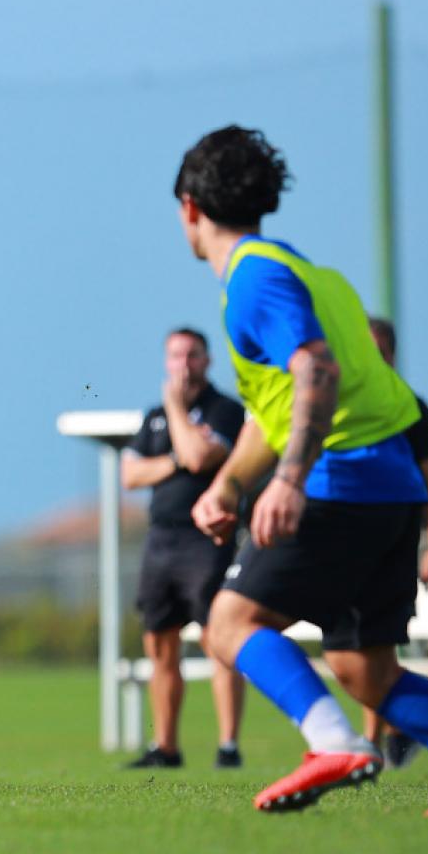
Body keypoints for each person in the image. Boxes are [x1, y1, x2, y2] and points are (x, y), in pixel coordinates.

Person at [176, 125, 428, 815]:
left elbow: (317, 369)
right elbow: (275, 410)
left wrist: (286, 479)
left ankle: (333, 742)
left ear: (190, 207)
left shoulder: (254, 277)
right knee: (364, 667)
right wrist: (228, 483)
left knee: (227, 620)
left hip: (341, 481)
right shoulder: (316, 274)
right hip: (393, 488)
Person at [120, 327, 247, 769]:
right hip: (161, 539)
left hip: (207, 540)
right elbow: (130, 475)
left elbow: (200, 458)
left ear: (207, 361)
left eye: (192, 355)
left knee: (219, 641)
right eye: (176, 356)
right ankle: (166, 747)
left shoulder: (225, 410)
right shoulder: (153, 415)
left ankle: (228, 746)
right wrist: (174, 458)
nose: (184, 364)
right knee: (159, 644)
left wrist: (177, 414)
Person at [360, 316, 428, 769]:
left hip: (395, 542)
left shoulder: (411, 408)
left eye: (379, 350)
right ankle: (391, 731)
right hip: (350, 541)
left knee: (378, 643)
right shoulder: (347, 405)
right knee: (359, 646)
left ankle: (375, 740)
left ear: (391, 354)